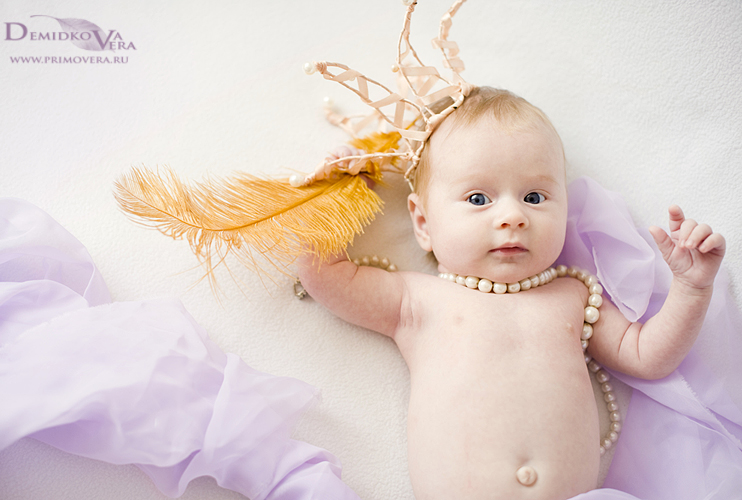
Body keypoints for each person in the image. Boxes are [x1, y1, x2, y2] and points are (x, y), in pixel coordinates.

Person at [297, 86, 726, 499]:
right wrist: (337, 196)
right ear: (423, 224)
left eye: (534, 196)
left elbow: (648, 356)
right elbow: (326, 276)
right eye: (478, 198)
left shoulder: (574, 295)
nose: (512, 216)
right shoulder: (415, 300)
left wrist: (692, 288)